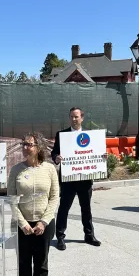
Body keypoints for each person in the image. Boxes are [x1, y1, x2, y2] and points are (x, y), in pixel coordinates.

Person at [7, 132, 59, 276]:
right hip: (24, 226)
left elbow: (54, 197)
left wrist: (44, 222)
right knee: (24, 264)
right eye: (24, 144)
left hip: (44, 225)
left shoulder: (50, 169)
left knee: (41, 264)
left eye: (30, 144)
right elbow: (12, 200)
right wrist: (22, 223)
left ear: (39, 148)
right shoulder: (16, 170)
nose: (25, 147)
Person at [52, 107, 100, 250]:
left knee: (86, 209)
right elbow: (54, 153)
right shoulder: (62, 134)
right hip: (68, 178)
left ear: (82, 118)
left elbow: (96, 153)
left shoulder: (90, 135)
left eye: (76, 117)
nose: (74, 119)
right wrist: (56, 158)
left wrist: (101, 159)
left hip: (85, 179)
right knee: (64, 209)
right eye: (72, 117)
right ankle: (60, 237)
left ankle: (89, 235)